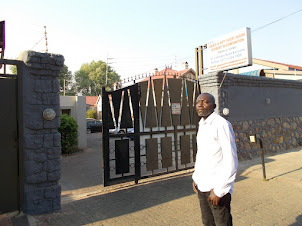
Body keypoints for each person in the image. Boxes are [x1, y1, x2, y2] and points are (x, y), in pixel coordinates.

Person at [192, 93, 238, 226]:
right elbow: (203, 155)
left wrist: (220, 190)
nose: (200, 104)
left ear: (214, 106)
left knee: (222, 222)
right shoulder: (202, 124)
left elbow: (231, 159)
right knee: (207, 222)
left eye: (205, 102)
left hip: (216, 188)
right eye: (198, 102)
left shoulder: (221, 124)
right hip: (203, 186)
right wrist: (196, 177)